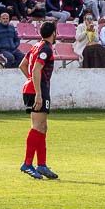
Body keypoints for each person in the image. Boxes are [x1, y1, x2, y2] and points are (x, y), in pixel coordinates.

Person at [20, 21, 60, 180]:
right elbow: (36, 69)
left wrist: (31, 81)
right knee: (37, 126)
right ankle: (27, 164)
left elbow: (23, 65)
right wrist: (38, 92)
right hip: (38, 90)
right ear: (54, 33)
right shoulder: (45, 48)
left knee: (43, 127)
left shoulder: (36, 46)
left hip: (35, 88)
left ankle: (41, 165)